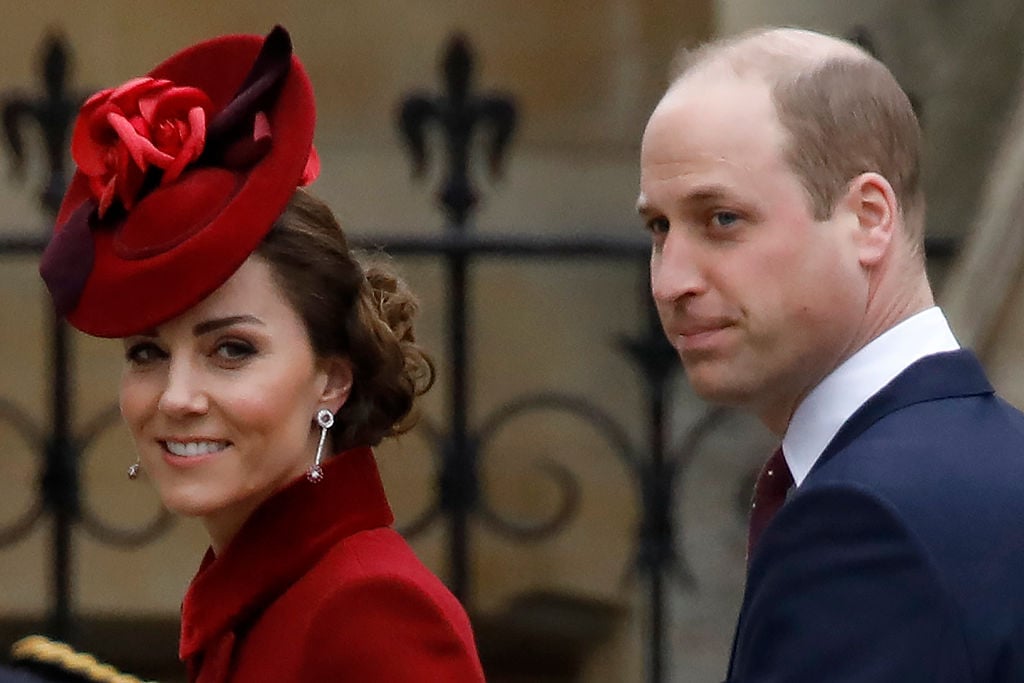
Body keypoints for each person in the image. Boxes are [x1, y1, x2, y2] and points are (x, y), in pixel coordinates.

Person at [38, 26, 485, 682]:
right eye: (147, 352)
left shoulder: (371, 611)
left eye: (232, 349)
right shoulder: (254, 600)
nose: (177, 396)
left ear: (331, 379)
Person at [638, 26, 1024, 681]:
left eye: (722, 219)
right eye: (659, 228)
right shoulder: (996, 457)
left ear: (870, 217)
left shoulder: (868, 519)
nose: (672, 280)